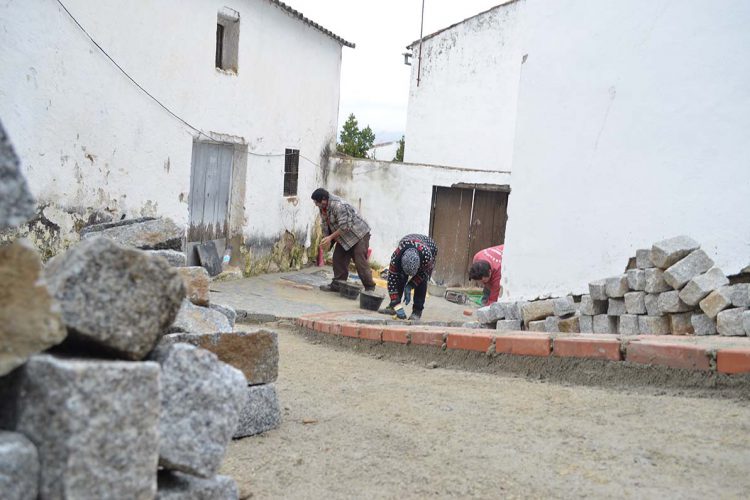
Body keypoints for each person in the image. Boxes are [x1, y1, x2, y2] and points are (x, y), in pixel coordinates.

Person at [311, 188, 376, 292]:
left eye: (316, 202)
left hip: (359, 234)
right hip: (343, 236)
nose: (315, 204)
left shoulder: (339, 205)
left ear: (324, 199)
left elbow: (345, 227)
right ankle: (337, 285)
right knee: (338, 259)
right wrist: (325, 239)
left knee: (360, 260)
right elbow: (324, 224)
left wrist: (330, 237)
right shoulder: (323, 207)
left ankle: (369, 287)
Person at [384, 234, 438, 321]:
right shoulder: (396, 256)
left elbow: (423, 274)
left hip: (429, 246)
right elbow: (392, 281)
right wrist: (396, 304)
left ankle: (417, 312)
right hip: (407, 240)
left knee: (422, 283)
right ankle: (393, 307)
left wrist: (410, 285)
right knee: (400, 278)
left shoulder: (427, 257)